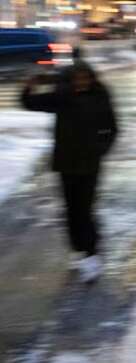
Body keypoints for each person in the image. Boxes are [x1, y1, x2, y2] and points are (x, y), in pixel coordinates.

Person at [21, 64, 118, 282]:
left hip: (90, 164)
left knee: (85, 209)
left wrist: (100, 150)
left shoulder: (99, 96)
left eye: (85, 79)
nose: (81, 83)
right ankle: (78, 249)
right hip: (66, 163)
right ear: (70, 80)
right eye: (77, 79)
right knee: (71, 210)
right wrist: (28, 88)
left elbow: (113, 128)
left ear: (91, 79)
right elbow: (30, 103)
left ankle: (91, 253)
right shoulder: (62, 96)